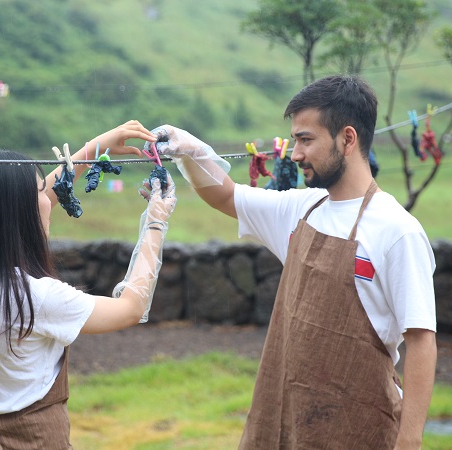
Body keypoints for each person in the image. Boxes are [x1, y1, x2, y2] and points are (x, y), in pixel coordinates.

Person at [152, 75, 437, 449]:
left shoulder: (398, 230)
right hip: (282, 420)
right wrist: (188, 150)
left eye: (306, 139)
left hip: (359, 427)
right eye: (294, 140)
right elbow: (224, 195)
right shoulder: (301, 209)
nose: (296, 154)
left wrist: (409, 442)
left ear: (347, 139)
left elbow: (420, 340)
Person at [0, 120, 176, 449]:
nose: (49, 198)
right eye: (39, 192)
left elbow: (13, 205)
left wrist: (95, 148)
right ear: (18, 214)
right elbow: (130, 308)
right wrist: (155, 224)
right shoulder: (38, 298)